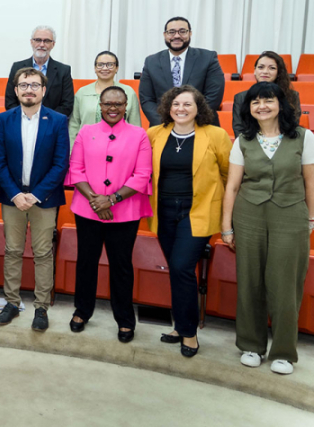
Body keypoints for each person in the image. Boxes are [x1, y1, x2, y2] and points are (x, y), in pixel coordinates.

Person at [222, 81, 314, 375]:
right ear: (248, 108)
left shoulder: (304, 137)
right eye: (255, 102)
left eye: (268, 100)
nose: (262, 106)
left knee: (286, 284)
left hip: (291, 215)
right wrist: (227, 226)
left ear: (281, 104)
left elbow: (310, 181)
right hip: (249, 215)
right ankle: (251, 345)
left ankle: (284, 352)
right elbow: (232, 186)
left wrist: (311, 219)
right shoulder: (243, 140)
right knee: (250, 280)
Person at [147, 85, 230, 357]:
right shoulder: (155, 134)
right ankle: (180, 326)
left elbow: (229, 175)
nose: (180, 109)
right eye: (176, 104)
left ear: (198, 108)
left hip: (198, 211)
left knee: (182, 266)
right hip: (164, 211)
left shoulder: (215, 135)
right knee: (176, 268)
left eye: (187, 104)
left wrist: (228, 215)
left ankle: (189, 332)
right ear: (168, 107)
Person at [66, 87, 153, 341]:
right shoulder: (86, 132)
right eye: (107, 104)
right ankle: (82, 310)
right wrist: (96, 201)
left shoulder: (139, 135)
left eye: (118, 104)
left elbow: (142, 174)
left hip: (125, 211)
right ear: (100, 106)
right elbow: (76, 169)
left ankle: (125, 319)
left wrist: (111, 200)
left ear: (126, 106)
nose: (112, 108)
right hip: (88, 209)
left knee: (121, 265)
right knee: (86, 262)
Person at [0, 68, 69, 331]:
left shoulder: (58, 120)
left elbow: (61, 164)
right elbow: (0, 161)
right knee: (13, 250)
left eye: (35, 85)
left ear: (43, 90)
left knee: (43, 253)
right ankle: (12, 303)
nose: (29, 90)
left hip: (44, 199)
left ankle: (41, 307)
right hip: (12, 197)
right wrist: (16, 194)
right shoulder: (4, 119)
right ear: (16, 90)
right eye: (24, 85)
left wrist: (35, 195)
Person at [139, 17, 225, 127]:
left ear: (190, 33)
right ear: (165, 35)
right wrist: (167, 123)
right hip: (163, 126)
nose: (177, 36)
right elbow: (146, 99)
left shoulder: (208, 58)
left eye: (182, 31)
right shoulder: (151, 61)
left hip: (201, 124)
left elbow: (214, 96)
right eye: (171, 32)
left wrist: (188, 122)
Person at [69, 51, 141, 148]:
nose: (105, 68)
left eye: (110, 65)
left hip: (121, 147)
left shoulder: (128, 92)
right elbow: (74, 125)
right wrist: (72, 150)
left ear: (117, 68)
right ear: (95, 68)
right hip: (87, 146)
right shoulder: (82, 92)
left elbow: (135, 125)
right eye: (100, 65)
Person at [4, 26, 74, 117]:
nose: (42, 44)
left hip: (52, 122)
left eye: (47, 41)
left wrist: (46, 119)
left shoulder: (63, 71)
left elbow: (67, 104)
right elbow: (10, 101)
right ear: (31, 42)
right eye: (38, 40)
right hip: (21, 121)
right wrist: (26, 118)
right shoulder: (17, 67)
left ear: (53, 44)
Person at [231, 51, 300, 136]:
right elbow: (239, 128)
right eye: (261, 67)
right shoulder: (241, 97)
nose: (265, 71)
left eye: (272, 68)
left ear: (279, 72)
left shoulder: (292, 95)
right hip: (250, 141)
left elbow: (293, 124)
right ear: (255, 71)